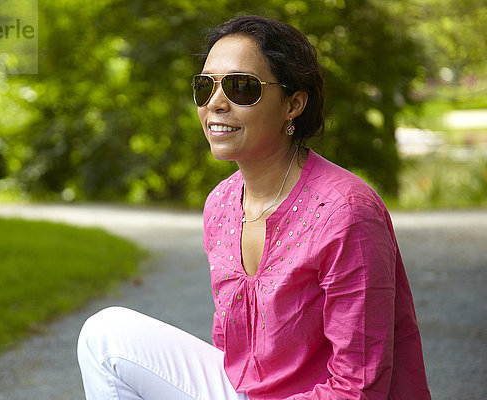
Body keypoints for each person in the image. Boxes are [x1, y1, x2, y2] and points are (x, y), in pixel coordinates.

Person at [77, 15, 431, 400]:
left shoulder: (346, 212)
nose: (215, 103)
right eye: (204, 86)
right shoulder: (222, 204)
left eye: (240, 87)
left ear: (292, 104)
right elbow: (231, 353)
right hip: (247, 392)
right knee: (105, 335)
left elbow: (359, 386)